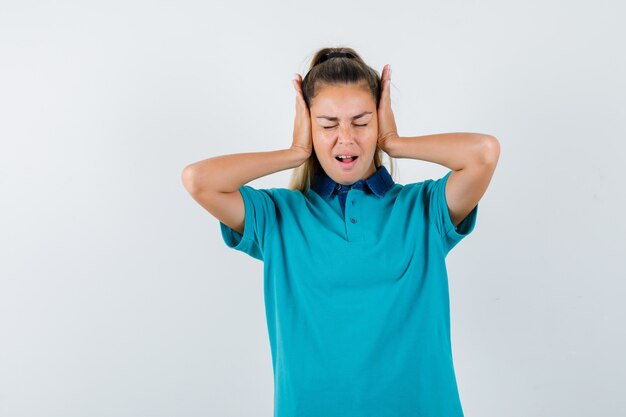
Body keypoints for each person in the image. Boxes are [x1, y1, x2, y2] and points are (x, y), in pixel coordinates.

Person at [182, 46, 500, 417]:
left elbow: (484, 153)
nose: (345, 138)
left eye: (361, 122)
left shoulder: (423, 209)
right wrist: (295, 151)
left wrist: (394, 143)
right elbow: (199, 180)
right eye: (328, 124)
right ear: (309, 124)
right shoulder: (279, 217)